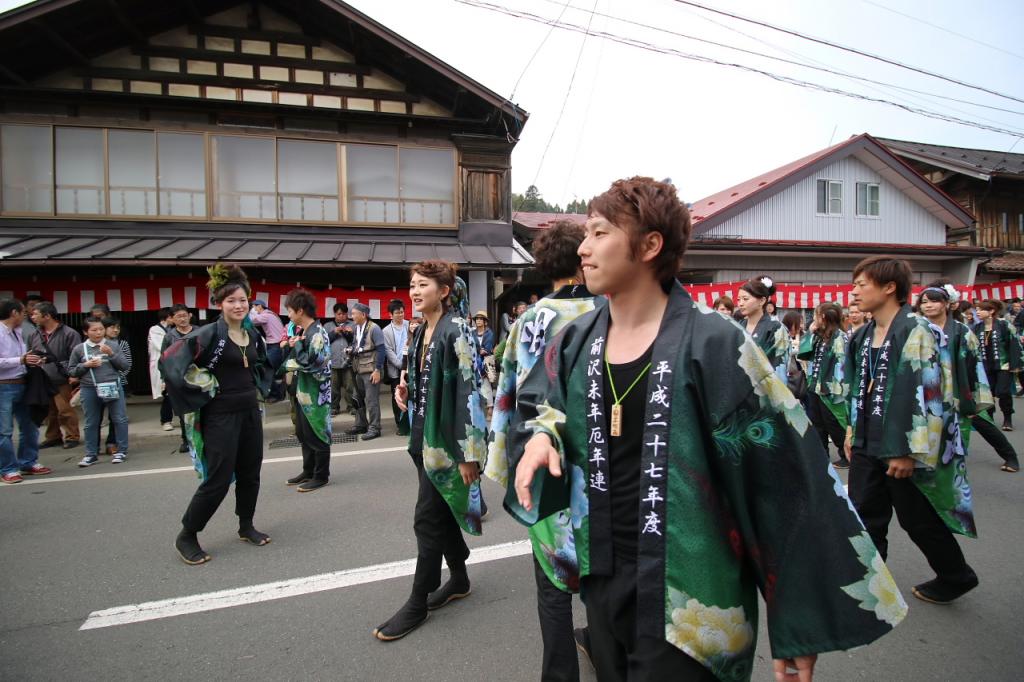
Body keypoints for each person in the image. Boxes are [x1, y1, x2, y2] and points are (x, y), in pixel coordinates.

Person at [511, 177, 904, 682]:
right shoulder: (575, 339)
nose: (583, 248)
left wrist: (798, 619)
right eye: (586, 234)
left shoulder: (716, 343)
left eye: (600, 232)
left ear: (650, 245)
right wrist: (542, 436)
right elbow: (541, 402)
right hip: (602, 573)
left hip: (690, 597)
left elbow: (786, 479)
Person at [485, 219, 599, 682]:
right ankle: (604, 649)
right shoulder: (608, 310)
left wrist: (503, 459)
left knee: (553, 575)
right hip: (600, 459)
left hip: (542, 453)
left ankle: (560, 673)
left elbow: (509, 393)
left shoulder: (530, 320)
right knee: (602, 565)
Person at [845, 256, 979, 605]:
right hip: (867, 440)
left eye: (862, 284)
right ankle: (869, 583)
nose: (854, 292)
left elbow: (930, 394)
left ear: (889, 287)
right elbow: (858, 387)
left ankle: (956, 576)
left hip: (902, 445)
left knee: (917, 519)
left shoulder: (918, 330)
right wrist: (850, 429)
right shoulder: (862, 335)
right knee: (863, 512)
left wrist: (908, 451)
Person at [373, 261, 488, 642]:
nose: (415, 291)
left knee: (426, 518)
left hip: (449, 443)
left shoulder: (458, 330)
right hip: (424, 436)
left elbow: (470, 390)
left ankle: (418, 601)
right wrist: (408, 391)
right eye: (412, 285)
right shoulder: (422, 330)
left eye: (423, 285)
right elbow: (427, 380)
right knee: (441, 512)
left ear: (444, 291)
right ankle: (459, 577)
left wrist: (469, 454)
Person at [161, 264, 273, 565]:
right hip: (220, 416)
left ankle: (246, 525)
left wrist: (260, 387)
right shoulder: (208, 334)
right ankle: (187, 534)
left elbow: (261, 364)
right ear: (219, 303)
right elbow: (170, 363)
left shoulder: (252, 334)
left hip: (250, 412)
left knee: (251, 473)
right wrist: (205, 386)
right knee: (219, 479)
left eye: (243, 300)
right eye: (231, 300)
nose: (238, 306)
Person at [920, 283, 1019, 473]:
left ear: (948, 304)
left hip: (960, 388)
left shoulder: (961, 331)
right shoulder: (917, 329)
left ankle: (1010, 456)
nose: (928, 305)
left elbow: (974, 365)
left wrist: (972, 395)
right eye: (924, 302)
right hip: (930, 388)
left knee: (982, 422)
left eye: (934, 301)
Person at [281, 289, 333, 492]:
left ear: (300, 310)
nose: (288, 315)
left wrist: (297, 348)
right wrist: (297, 345)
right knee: (303, 433)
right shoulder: (306, 332)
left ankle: (321, 475)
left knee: (317, 433)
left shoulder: (317, 333)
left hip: (316, 394)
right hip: (304, 391)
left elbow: (315, 365)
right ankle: (308, 470)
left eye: (290, 310)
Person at [67, 317, 130, 466]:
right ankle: (91, 453)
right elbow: (71, 371)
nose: (98, 333)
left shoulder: (112, 345)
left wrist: (111, 354)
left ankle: (121, 451)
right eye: (94, 330)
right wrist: (85, 365)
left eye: (101, 329)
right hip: (89, 387)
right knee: (91, 422)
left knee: (119, 419)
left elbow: (124, 366)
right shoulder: (79, 349)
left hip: (112, 385)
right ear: (85, 332)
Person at [0, 298, 50, 483]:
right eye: (23, 313)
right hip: (3, 385)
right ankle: (8, 468)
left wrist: (32, 360)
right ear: (14, 313)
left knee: (30, 425)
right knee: (4, 430)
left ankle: (28, 461)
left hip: (23, 382)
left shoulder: (18, 332)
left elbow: (22, 358)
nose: (25, 316)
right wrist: (20, 360)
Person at [799, 302, 850, 468]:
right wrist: (810, 332)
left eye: (815, 315)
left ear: (823, 317)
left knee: (833, 423)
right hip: (815, 386)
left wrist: (838, 389)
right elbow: (803, 353)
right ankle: (821, 456)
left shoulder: (840, 337)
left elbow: (842, 365)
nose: (813, 319)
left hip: (831, 389)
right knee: (817, 423)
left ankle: (845, 455)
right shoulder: (818, 336)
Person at [28, 301, 82, 449]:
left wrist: (74, 374)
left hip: (62, 376)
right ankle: (53, 436)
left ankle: (72, 436)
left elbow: (76, 355)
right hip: (42, 377)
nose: (32, 317)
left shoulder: (69, 333)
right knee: (49, 410)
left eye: (35, 314)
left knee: (65, 409)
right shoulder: (34, 334)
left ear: (47, 316)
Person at [972, 300, 1021, 431]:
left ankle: (1007, 417)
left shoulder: (1004, 325)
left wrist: (1015, 364)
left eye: (980, 310)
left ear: (991, 311)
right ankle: (990, 417)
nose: (977, 312)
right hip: (985, 366)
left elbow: (1014, 343)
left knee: (1003, 391)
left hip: (1003, 365)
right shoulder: (977, 327)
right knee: (988, 393)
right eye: (977, 310)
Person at [736, 275, 789, 381]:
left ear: (762, 301)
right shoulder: (739, 325)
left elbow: (778, 365)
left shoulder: (776, 328)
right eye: (738, 299)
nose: (740, 304)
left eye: (745, 299)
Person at [163, 304, 198, 453]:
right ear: (172, 319)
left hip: (198, 375)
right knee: (183, 410)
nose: (182, 319)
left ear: (190, 315)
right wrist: (165, 379)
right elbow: (164, 359)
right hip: (178, 378)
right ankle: (186, 439)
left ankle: (202, 437)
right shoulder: (169, 336)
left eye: (184, 315)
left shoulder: (200, 331)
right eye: (178, 316)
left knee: (201, 408)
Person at [347, 303, 385, 441]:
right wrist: (350, 349)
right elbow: (356, 345)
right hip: (358, 368)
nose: (352, 316)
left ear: (363, 315)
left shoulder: (374, 328)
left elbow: (381, 350)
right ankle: (361, 424)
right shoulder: (356, 327)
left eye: (354, 313)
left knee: (371, 400)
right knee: (357, 398)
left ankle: (375, 427)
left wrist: (377, 370)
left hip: (371, 369)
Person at [96, 317, 132, 456]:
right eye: (112, 327)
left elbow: (127, 364)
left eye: (118, 327)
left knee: (115, 416)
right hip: (96, 383)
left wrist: (116, 377)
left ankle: (112, 443)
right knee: (96, 417)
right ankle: (94, 445)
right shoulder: (94, 344)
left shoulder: (122, 343)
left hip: (116, 383)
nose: (116, 330)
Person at [382, 299, 411, 436]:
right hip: (396, 369)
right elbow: (388, 351)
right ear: (390, 315)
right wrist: (401, 365)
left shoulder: (409, 325)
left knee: (411, 395)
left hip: (410, 367)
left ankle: (411, 422)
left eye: (402, 312)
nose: (400, 315)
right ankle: (400, 425)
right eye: (397, 313)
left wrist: (409, 365)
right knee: (397, 397)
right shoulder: (386, 331)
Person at [250, 299, 287, 402]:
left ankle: (275, 394)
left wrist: (251, 313)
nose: (253, 309)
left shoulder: (266, 315)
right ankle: (277, 394)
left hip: (275, 346)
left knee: (265, 370)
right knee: (272, 372)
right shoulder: (272, 314)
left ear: (260, 306)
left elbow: (251, 321)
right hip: (278, 345)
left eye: (254, 307)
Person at [324, 303, 356, 417]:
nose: (341, 316)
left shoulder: (353, 325)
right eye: (339, 314)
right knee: (333, 387)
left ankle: (352, 406)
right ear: (334, 314)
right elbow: (323, 342)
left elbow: (357, 341)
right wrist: (334, 333)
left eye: (344, 314)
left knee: (350, 386)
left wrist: (350, 334)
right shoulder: (328, 326)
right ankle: (334, 407)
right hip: (332, 361)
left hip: (348, 362)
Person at [149, 307, 172, 427]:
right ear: (167, 317)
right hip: (161, 363)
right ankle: (166, 420)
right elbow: (160, 346)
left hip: (173, 362)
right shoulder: (155, 329)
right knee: (167, 393)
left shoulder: (172, 329)